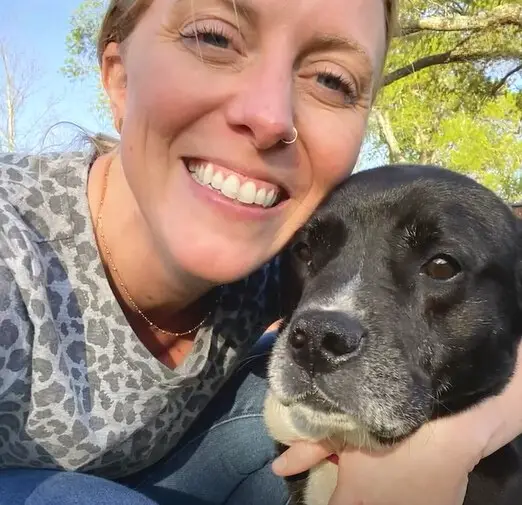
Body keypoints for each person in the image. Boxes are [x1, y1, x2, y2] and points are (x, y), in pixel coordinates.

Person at [0, 1, 521, 505]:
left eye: (331, 79)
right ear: (119, 77)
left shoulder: (282, 252)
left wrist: (445, 447)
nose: (269, 116)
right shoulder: (12, 257)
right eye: (214, 37)